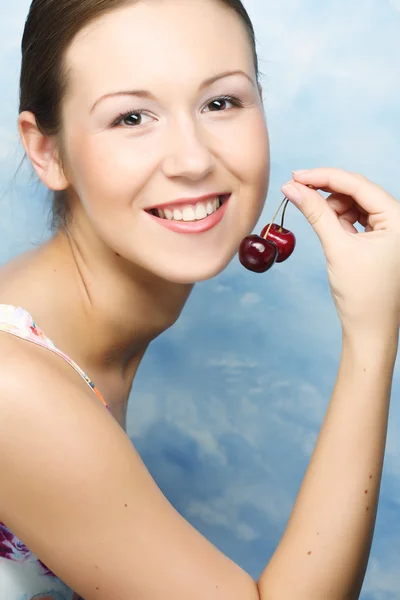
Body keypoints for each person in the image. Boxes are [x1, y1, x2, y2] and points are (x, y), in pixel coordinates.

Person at [0, 0, 399, 598]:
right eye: (131, 117)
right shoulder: (16, 389)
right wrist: (372, 335)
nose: (193, 161)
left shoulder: (57, 335)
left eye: (221, 103)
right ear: (46, 150)